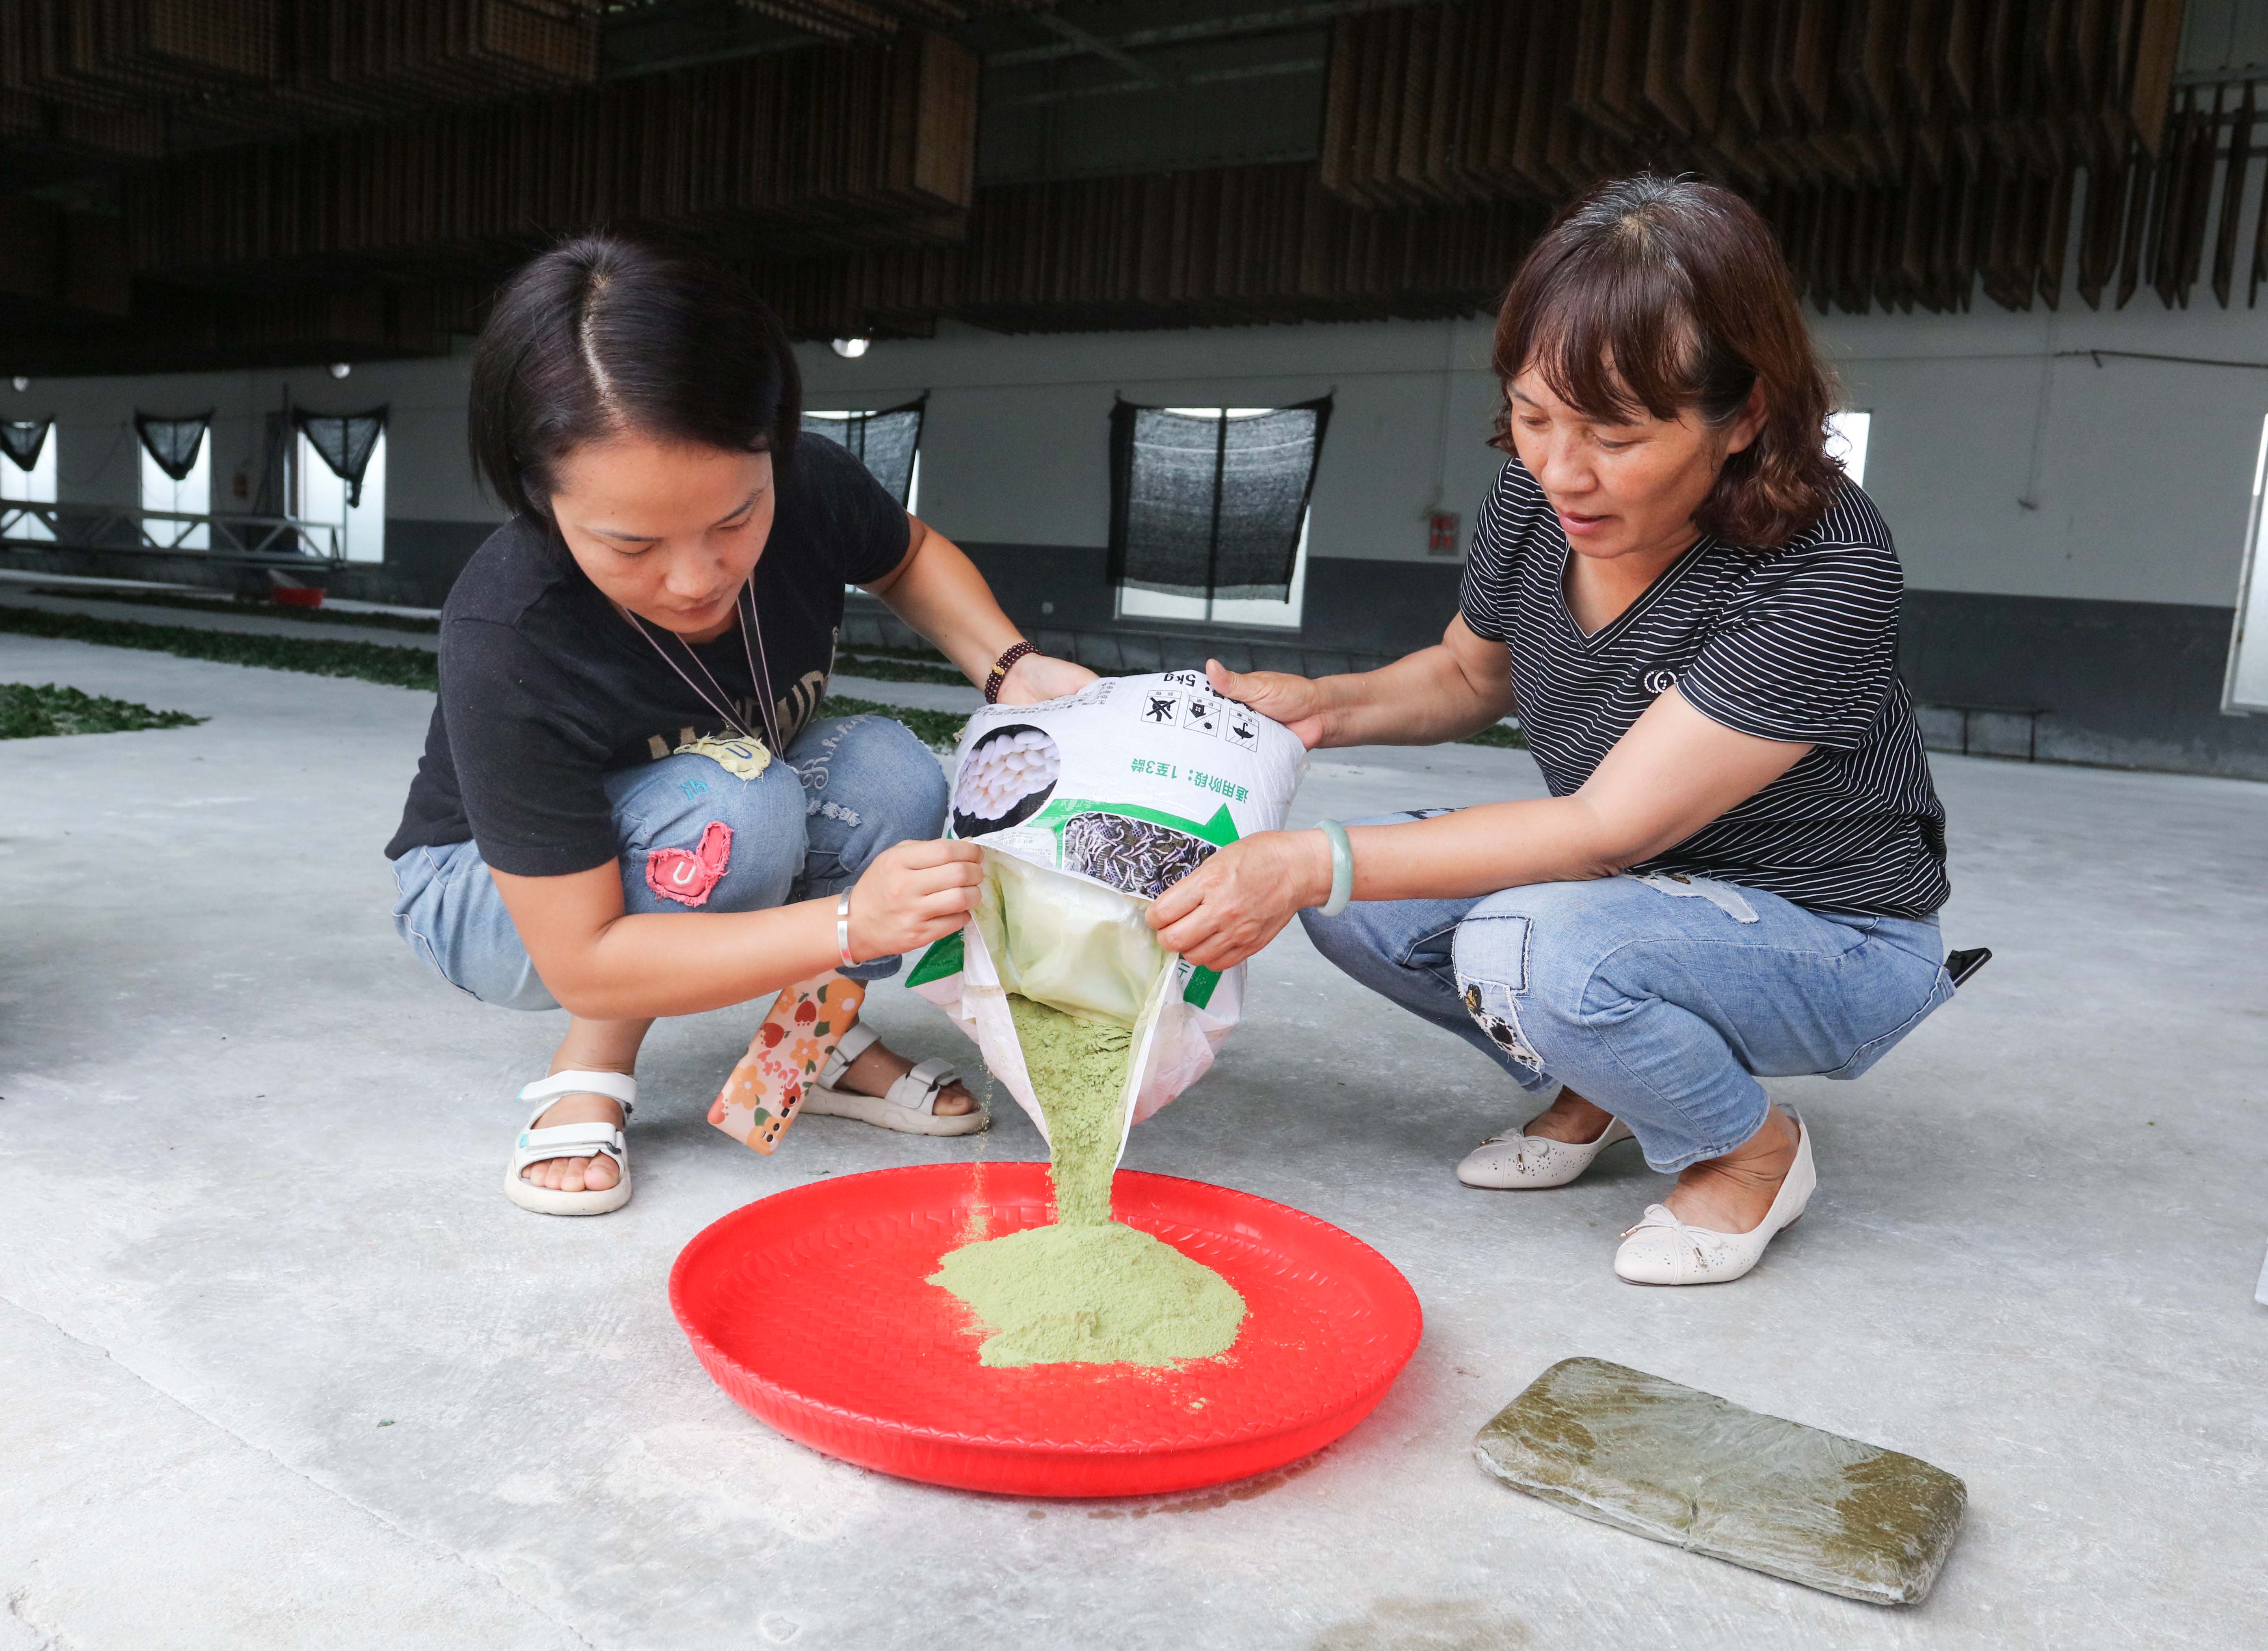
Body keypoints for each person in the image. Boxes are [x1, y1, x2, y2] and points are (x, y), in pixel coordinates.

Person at [1147, 174, 1953, 1285]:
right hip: (1635, 889)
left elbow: (1602, 833)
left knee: (1519, 947)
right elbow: (1469, 675)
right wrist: (1322, 707)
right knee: (1364, 918)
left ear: (1745, 417)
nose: (1564, 471)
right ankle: (1612, 1079)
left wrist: (1304, 859)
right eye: (1534, 417)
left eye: (1616, 434)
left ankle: (1751, 1150)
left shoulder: (1824, 570)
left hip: (1829, 932)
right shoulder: (1537, 499)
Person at [385, 234, 1094, 1215]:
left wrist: (1007, 664)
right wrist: (850, 923)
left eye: (734, 520)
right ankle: (593, 1065)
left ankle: (809, 1044)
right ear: (537, 497)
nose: (695, 579)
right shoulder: (510, 628)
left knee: (891, 772)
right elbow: (579, 951)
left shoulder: (807, 485)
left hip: (710, 814)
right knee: (737, 806)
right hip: (493, 902)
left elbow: (906, 553)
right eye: (631, 543)